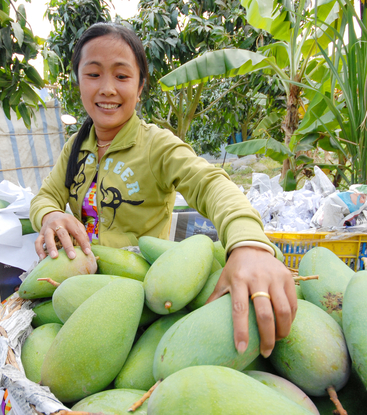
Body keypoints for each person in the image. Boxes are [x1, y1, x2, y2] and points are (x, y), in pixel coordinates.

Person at [30, 22, 296, 358]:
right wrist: (51, 213)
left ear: (140, 87)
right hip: (80, 286)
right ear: (78, 82)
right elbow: (46, 195)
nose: (108, 88)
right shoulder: (76, 147)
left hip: (145, 295)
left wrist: (248, 244)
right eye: (94, 74)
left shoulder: (157, 146)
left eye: (122, 76)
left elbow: (210, 184)